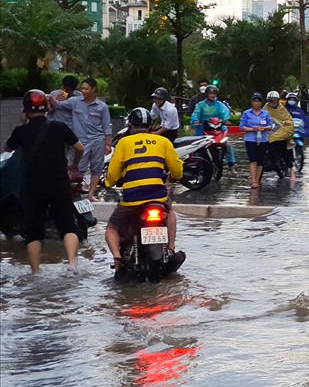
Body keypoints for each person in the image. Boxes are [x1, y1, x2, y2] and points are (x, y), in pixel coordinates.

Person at [5, 90, 85, 274]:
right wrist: (75, 164)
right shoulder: (59, 127)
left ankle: (35, 272)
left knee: (33, 231)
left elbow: (8, 148)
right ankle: (73, 265)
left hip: (34, 187)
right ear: (47, 108)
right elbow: (80, 148)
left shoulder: (20, 132)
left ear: (25, 110)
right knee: (67, 226)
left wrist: (23, 124)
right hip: (59, 183)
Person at [103, 107, 185, 277]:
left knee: (111, 227)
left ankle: (118, 260)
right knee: (170, 213)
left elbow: (113, 172)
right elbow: (177, 169)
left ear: (131, 125)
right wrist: (175, 177)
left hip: (132, 200)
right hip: (158, 197)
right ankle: (170, 249)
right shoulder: (163, 142)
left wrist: (108, 183)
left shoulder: (124, 143)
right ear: (150, 126)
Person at [48, 77, 111, 202]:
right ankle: (74, 191)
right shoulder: (74, 101)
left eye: (86, 89)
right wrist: (51, 98)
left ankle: (91, 194)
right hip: (81, 141)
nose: (83, 91)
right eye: (82, 88)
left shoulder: (102, 107)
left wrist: (108, 144)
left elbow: (106, 127)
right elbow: (56, 105)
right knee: (78, 168)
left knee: (96, 168)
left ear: (94, 89)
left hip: (98, 140)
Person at [190, 84, 236, 166]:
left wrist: (225, 120)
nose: (212, 95)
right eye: (210, 93)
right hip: (204, 128)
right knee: (197, 146)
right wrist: (196, 120)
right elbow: (196, 113)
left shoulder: (220, 105)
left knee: (227, 144)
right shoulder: (200, 105)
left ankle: (231, 163)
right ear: (207, 94)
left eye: (214, 94)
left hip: (218, 128)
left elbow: (225, 113)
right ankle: (195, 161)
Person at [238, 93, 273, 189]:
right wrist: (252, 129)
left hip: (263, 139)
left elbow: (270, 126)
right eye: (254, 101)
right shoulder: (246, 113)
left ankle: (257, 179)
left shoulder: (265, 113)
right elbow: (242, 127)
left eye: (258, 101)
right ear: (251, 102)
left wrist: (264, 128)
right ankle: (253, 180)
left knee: (260, 160)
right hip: (250, 139)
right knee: (253, 160)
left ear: (261, 103)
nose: (256, 103)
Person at [264, 90, 295, 178]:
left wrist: (283, 125)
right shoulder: (265, 108)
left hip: (282, 132)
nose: (272, 102)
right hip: (271, 132)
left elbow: (289, 121)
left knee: (284, 149)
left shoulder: (282, 109)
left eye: (273, 100)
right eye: (270, 100)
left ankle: (290, 167)